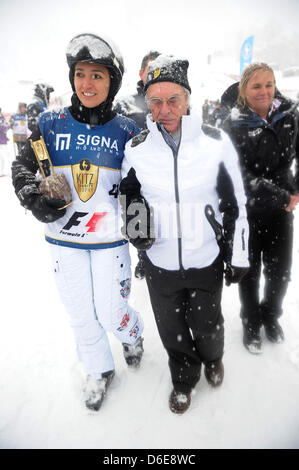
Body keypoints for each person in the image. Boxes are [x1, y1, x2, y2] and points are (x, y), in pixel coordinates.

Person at [11, 33, 144, 411]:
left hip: (109, 242)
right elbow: (23, 165)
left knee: (111, 310)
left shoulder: (127, 129)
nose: (87, 84)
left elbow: (141, 184)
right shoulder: (49, 124)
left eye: (97, 76)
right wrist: (32, 198)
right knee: (81, 314)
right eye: (80, 74)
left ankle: (133, 335)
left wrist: (141, 226)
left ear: (112, 82)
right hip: (64, 242)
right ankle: (98, 370)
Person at [119, 55, 249, 414]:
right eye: (156, 101)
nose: (164, 109)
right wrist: (136, 224)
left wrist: (238, 254)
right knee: (171, 327)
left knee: (208, 325)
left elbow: (236, 200)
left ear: (188, 99)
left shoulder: (214, 142)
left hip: (204, 256)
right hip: (160, 261)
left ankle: (212, 358)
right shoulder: (138, 148)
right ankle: (183, 377)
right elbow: (129, 192)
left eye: (173, 99)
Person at [221, 63, 299, 354]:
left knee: (280, 272)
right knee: (249, 272)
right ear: (243, 89)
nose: (264, 91)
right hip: (248, 208)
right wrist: (281, 196)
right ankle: (251, 322)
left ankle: (270, 316)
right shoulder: (232, 124)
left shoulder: (289, 113)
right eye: (256, 86)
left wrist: (296, 189)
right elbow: (235, 175)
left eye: (269, 84)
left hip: (282, 210)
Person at [114, 50, 160, 280]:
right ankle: (142, 258)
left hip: (162, 174)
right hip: (133, 176)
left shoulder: (173, 101)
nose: (153, 75)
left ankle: (159, 261)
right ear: (141, 72)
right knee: (138, 223)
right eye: (149, 70)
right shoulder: (125, 104)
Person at [0, 108, 10, 176]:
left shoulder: (2, 118)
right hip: (1, 141)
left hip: (2, 140)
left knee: (3, 157)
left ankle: (2, 171)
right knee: (2, 157)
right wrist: (7, 126)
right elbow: (2, 127)